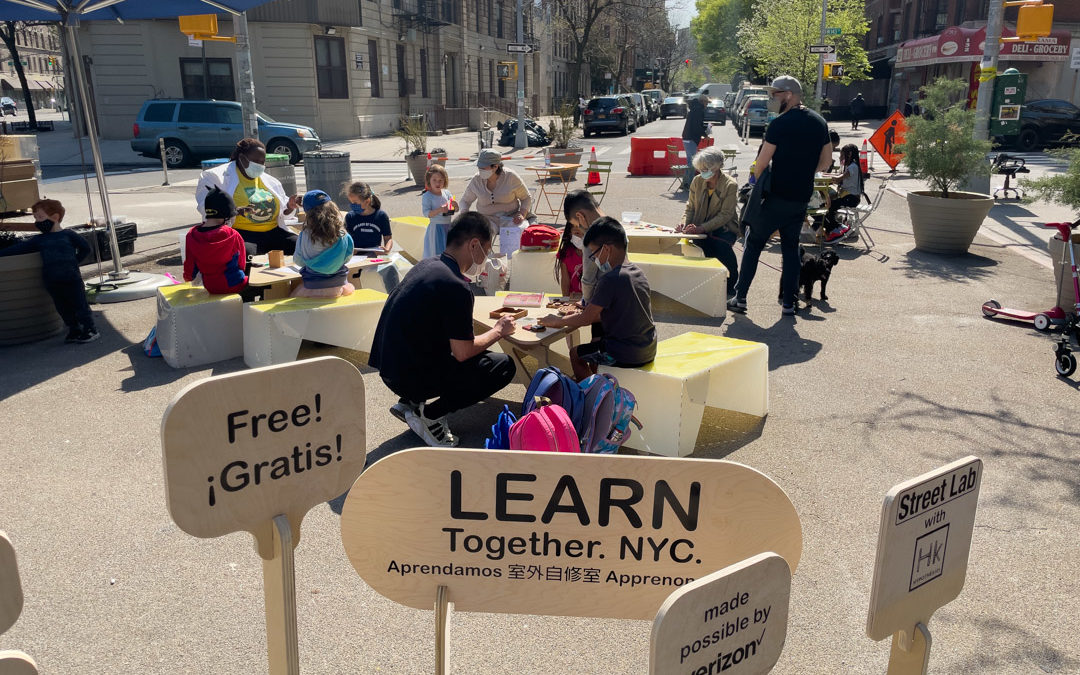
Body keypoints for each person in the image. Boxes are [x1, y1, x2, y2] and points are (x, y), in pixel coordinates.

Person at [369, 211, 517, 446]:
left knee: (445, 344)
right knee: (501, 365)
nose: (486, 258)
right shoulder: (456, 286)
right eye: (487, 251)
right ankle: (430, 415)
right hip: (408, 377)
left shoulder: (428, 265)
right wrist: (499, 329)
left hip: (389, 368)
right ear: (474, 244)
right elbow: (463, 352)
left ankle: (409, 403)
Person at [728, 75, 832, 317]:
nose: (770, 99)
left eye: (774, 94)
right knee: (790, 249)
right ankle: (789, 303)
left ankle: (740, 297)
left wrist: (754, 180)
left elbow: (761, 163)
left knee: (753, 244)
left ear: (789, 95)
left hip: (774, 198)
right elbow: (826, 162)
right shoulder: (819, 122)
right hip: (800, 197)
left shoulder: (779, 125)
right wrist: (805, 171)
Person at [539, 217, 656, 381]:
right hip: (648, 347)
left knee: (576, 353)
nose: (595, 261)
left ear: (606, 249)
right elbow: (620, 311)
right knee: (595, 348)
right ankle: (598, 383)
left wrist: (556, 321)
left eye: (594, 255)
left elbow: (586, 319)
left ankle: (590, 396)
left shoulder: (610, 279)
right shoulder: (637, 272)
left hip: (626, 353)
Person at [0, 199, 97, 343]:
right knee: (62, 306)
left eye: (40, 217)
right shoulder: (39, 240)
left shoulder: (68, 235)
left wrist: (74, 262)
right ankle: (74, 328)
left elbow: (85, 248)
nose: (37, 222)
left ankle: (90, 329)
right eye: (36, 218)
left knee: (79, 304)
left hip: (71, 277)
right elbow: (19, 248)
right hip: (52, 279)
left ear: (55, 217)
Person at [195, 138, 300, 254]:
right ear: (241, 158)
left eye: (262, 162)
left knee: (299, 247)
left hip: (274, 231)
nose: (260, 165)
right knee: (246, 254)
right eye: (256, 161)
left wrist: (290, 206)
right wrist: (235, 211)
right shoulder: (215, 176)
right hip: (242, 233)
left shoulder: (270, 180)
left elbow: (284, 215)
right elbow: (206, 209)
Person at [677, 147, 740, 296]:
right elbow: (690, 207)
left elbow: (726, 215)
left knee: (721, 249)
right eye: (700, 169)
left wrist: (701, 228)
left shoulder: (730, 185)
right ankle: (707, 285)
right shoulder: (697, 181)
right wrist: (684, 224)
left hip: (723, 228)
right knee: (699, 251)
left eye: (705, 169)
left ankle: (732, 286)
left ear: (716, 167)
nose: (702, 172)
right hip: (700, 225)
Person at [459, 149, 534, 254]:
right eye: (479, 167)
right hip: (487, 219)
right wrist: (464, 213)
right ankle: (483, 265)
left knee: (519, 231)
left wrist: (522, 213)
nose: (480, 170)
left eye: (483, 167)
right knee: (476, 233)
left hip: (511, 217)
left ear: (495, 167)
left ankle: (513, 264)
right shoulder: (476, 180)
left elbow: (526, 197)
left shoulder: (511, 177)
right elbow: (464, 201)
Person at [183, 186, 248, 296]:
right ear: (226, 215)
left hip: (210, 286)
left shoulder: (192, 235)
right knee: (258, 287)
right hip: (235, 284)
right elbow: (241, 264)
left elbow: (190, 268)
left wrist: (188, 278)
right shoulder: (232, 234)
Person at [291, 190, 355, 298]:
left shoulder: (304, 234)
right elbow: (348, 256)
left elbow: (298, 260)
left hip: (312, 285)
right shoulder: (342, 232)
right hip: (339, 285)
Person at [562, 189, 607, 304]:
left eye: (578, 225)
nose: (580, 230)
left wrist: (585, 303)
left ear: (580, 216)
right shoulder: (615, 226)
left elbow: (588, 280)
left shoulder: (590, 239)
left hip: (602, 304)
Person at [823, 144, 863, 242]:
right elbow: (838, 175)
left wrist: (823, 177)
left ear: (849, 154)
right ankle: (831, 231)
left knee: (828, 207)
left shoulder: (852, 167)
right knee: (825, 205)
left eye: (842, 155)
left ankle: (838, 228)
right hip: (847, 197)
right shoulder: (850, 166)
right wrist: (824, 174)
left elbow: (838, 178)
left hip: (851, 198)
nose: (840, 157)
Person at [344, 181, 393, 252]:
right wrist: (349, 249)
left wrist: (386, 249)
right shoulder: (350, 217)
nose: (352, 205)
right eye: (351, 202)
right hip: (355, 257)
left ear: (367, 201)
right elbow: (347, 239)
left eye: (355, 203)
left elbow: (388, 238)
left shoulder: (381, 216)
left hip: (374, 256)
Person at [421, 164, 456, 258]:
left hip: (448, 227)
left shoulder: (447, 193)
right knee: (436, 252)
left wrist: (455, 206)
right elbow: (427, 213)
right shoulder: (427, 196)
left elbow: (454, 209)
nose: (438, 183)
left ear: (445, 181)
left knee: (449, 251)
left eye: (441, 180)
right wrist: (440, 210)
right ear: (429, 181)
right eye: (434, 180)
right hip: (436, 228)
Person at [680, 91, 709, 189]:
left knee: (690, 161)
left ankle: (685, 183)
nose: (707, 105)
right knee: (692, 162)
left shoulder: (694, 109)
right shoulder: (699, 110)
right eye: (706, 103)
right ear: (702, 102)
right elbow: (697, 126)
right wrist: (705, 134)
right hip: (691, 138)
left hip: (687, 137)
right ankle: (689, 183)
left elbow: (695, 125)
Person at [554, 217, 584, 297]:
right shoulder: (566, 253)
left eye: (585, 233)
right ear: (570, 233)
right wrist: (565, 300)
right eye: (577, 233)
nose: (581, 237)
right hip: (573, 297)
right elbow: (565, 280)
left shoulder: (596, 254)